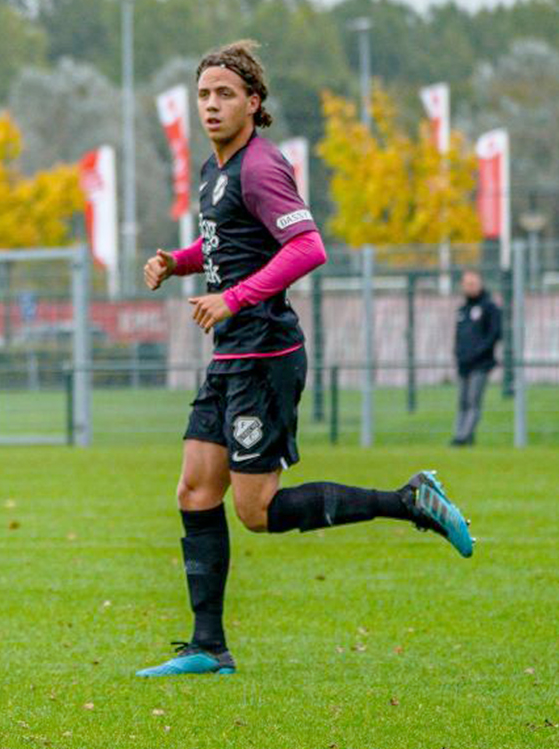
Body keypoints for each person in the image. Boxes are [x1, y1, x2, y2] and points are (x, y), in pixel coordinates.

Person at [136, 40, 475, 678]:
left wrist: (233, 298)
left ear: (253, 103)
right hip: (233, 353)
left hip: (264, 355)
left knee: (256, 510)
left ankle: (412, 501)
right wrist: (177, 263)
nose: (211, 105)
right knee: (195, 489)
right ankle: (208, 646)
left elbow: (307, 247)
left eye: (225, 95)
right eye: (204, 94)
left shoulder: (262, 167)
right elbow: (227, 240)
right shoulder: (217, 169)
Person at [452, 269, 503, 446]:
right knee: (462, 401)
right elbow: (458, 337)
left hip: (480, 363)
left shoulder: (490, 307)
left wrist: (478, 352)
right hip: (463, 364)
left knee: (473, 401)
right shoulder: (463, 309)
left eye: (472, 283)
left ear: (480, 284)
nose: (469, 287)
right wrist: (459, 355)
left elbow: (495, 334)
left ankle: (461, 438)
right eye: (466, 284)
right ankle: (463, 435)